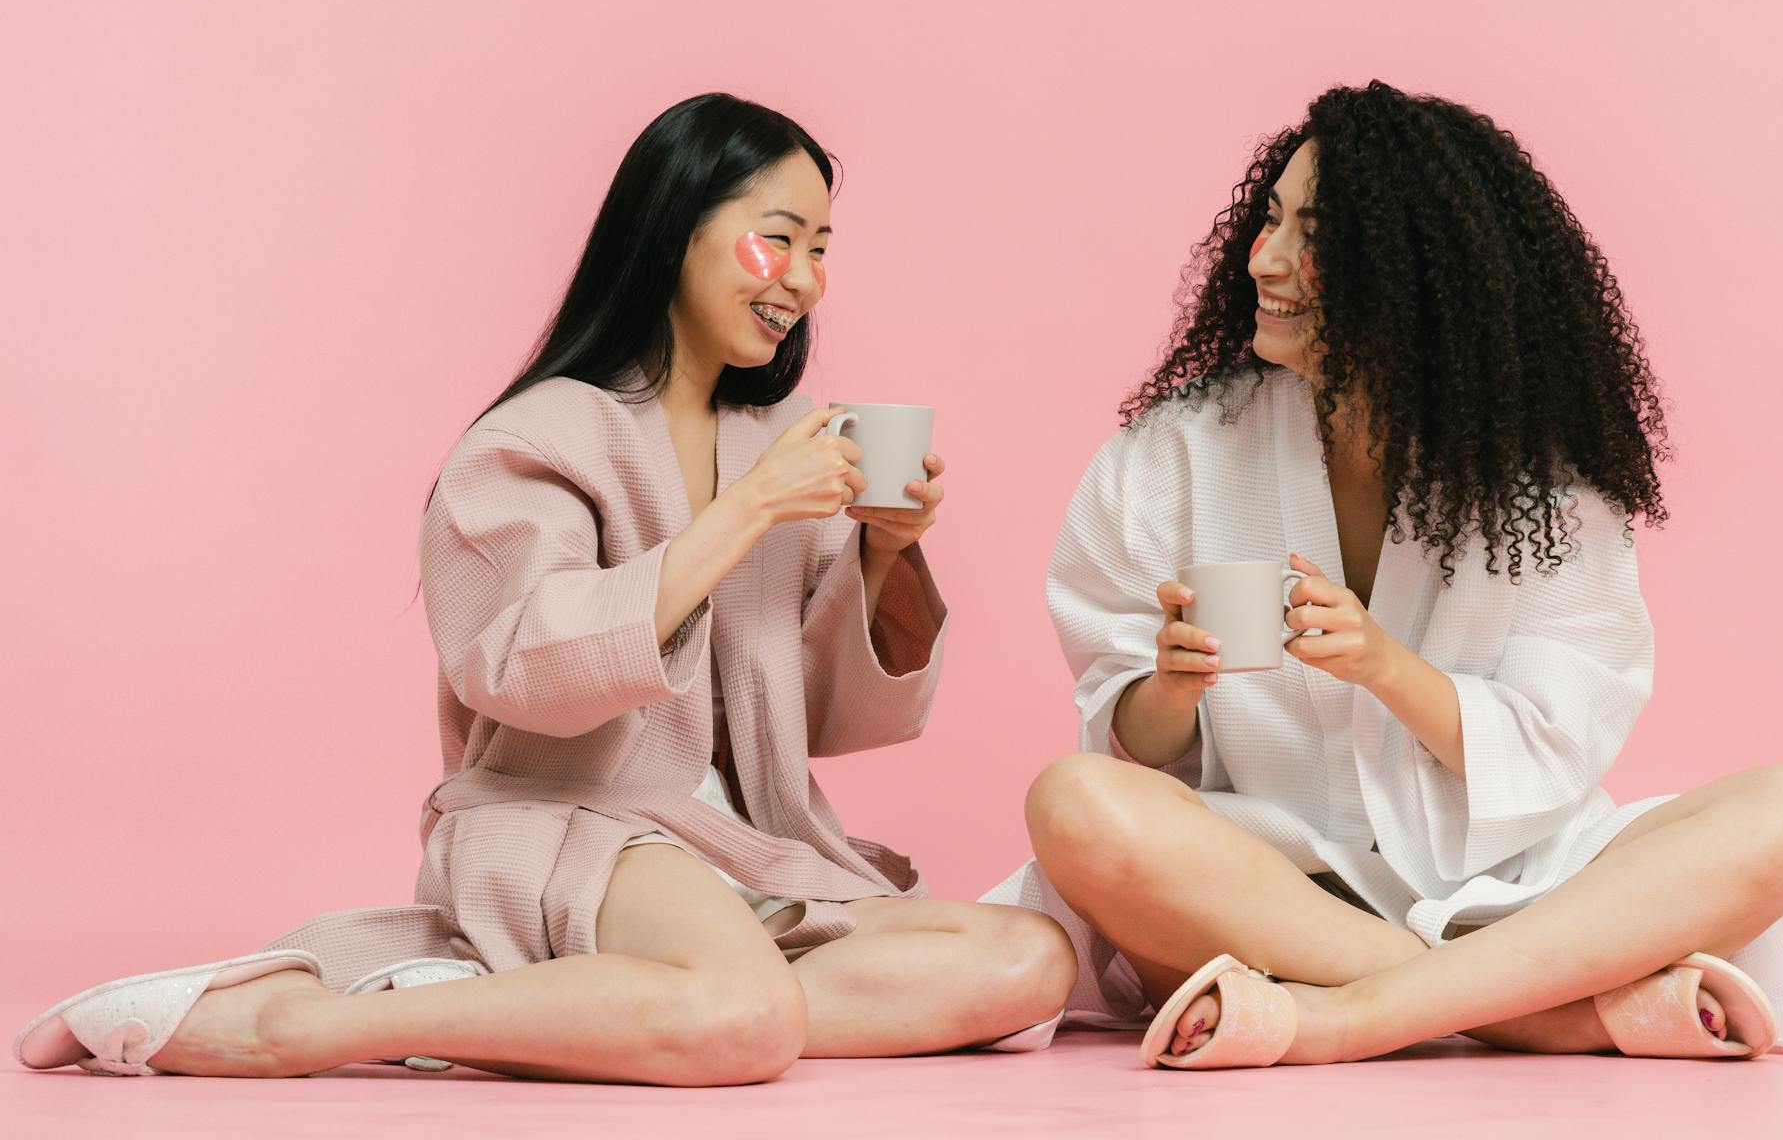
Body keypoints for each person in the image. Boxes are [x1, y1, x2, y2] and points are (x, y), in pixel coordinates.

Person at [15, 92, 1074, 1084]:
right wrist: (747, 511)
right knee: (747, 1021)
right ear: (673, 230)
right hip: (576, 821)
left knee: (1028, 961)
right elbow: (524, 671)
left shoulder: (768, 443)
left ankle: (582, 1002)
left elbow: (822, 715)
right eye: (779, 237)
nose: (803, 278)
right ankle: (309, 1022)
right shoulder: (533, 440)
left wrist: (885, 553)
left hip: (745, 846)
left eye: (822, 249)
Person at [987, 80, 1783, 1066]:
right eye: (1268, 218)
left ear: (1409, 274)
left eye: (1308, 233)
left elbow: (1557, 738)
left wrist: (1383, 664)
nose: (1262, 259)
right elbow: (1131, 750)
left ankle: (1353, 1011)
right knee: (1075, 804)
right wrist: (1169, 685)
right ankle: (1529, 1010)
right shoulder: (1176, 453)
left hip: (1527, 885)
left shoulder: (1547, 487)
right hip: (1279, 883)